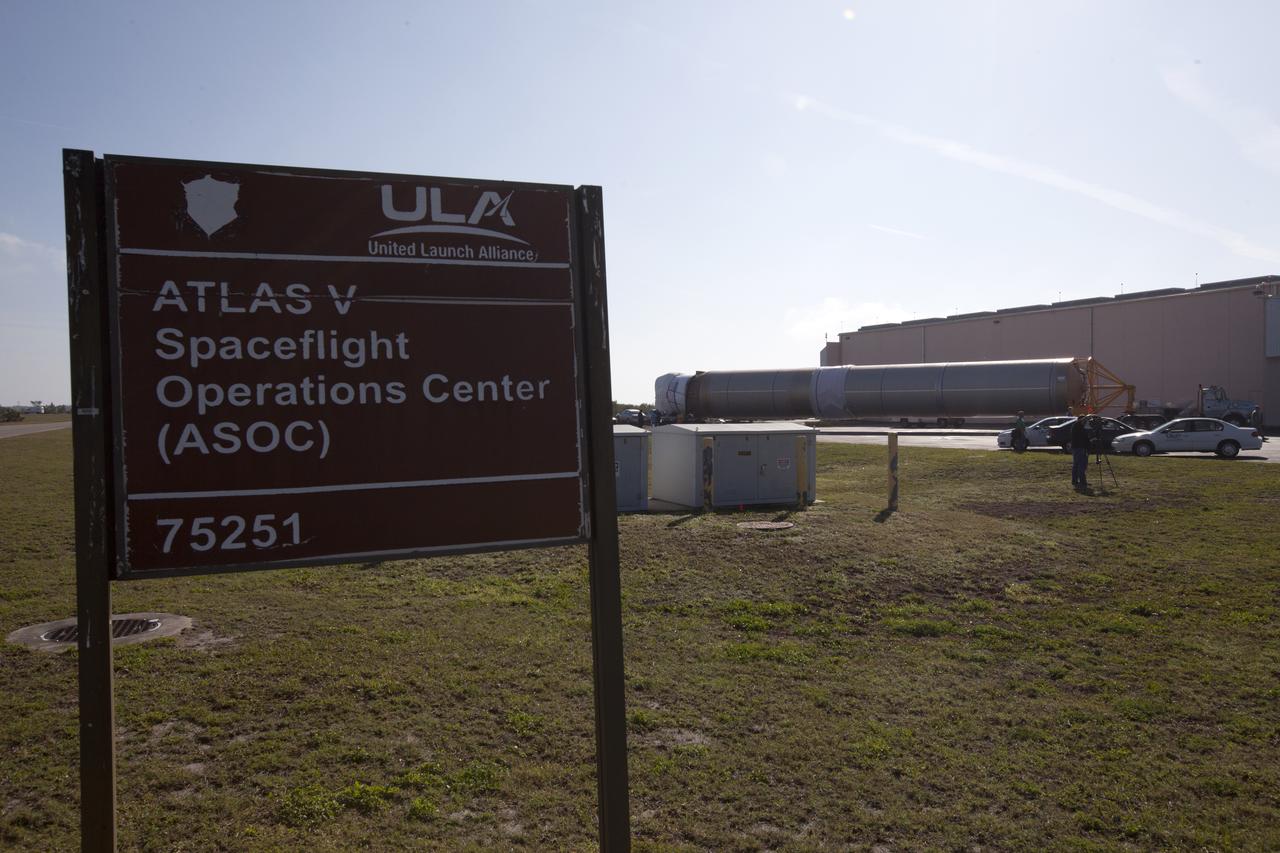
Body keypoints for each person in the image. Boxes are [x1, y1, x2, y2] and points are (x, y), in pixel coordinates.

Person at [1070, 414, 1090, 490]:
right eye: (1084, 421)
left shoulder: (1082, 428)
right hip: (1079, 448)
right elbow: (1080, 421)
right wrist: (1087, 417)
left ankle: (1075, 481)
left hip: (1080, 448)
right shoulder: (1076, 426)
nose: (1085, 422)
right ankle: (1082, 481)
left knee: (1077, 464)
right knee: (1081, 465)